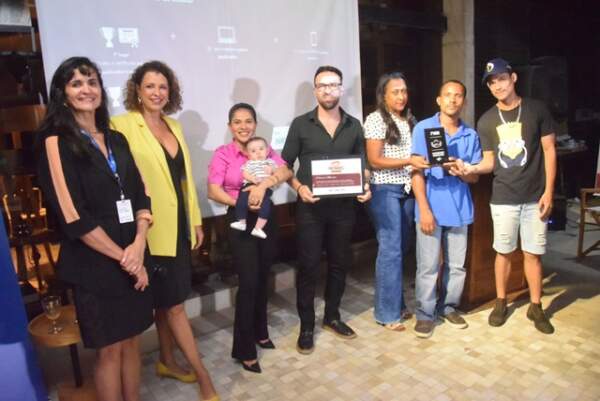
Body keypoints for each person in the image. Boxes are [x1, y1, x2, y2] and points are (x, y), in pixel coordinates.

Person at [36, 57, 153, 401]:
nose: (86, 90)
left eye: (92, 82)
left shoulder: (117, 139)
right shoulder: (56, 142)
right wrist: (126, 258)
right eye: (76, 83)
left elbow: (140, 194)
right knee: (109, 350)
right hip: (95, 264)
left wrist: (138, 245)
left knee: (132, 342)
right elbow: (74, 216)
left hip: (133, 255)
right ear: (62, 93)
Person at [110, 61, 218, 400]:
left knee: (167, 302)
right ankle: (204, 378)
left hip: (179, 228)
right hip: (146, 230)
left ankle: (167, 361)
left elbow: (183, 178)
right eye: (150, 86)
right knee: (175, 307)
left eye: (162, 87)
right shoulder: (121, 125)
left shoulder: (174, 125)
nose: (157, 92)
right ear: (137, 90)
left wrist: (195, 219)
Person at [281, 65, 371, 355]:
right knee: (308, 266)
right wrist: (298, 187)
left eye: (333, 85)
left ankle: (332, 316)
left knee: (339, 263)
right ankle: (307, 326)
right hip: (310, 209)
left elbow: (363, 165)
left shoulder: (354, 125)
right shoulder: (300, 124)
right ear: (315, 90)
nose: (328, 90)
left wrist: (365, 186)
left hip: (344, 208)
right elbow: (285, 165)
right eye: (322, 85)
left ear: (341, 89)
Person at [463, 58, 557, 334]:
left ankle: (536, 306)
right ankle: (501, 302)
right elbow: (489, 161)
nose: (497, 85)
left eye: (502, 79)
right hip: (503, 197)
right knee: (502, 252)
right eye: (492, 82)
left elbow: (550, 150)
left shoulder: (536, 109)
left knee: (533, 253)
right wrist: (471, 168)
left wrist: (549, 192)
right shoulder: (486, 120)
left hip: (535, 196)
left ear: (513, 78)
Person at [207, 103, 291, 374]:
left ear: (255, 124)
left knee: (263, 276)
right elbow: (212, 190)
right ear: (230, 126)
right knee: (249, 281)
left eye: (248, 121)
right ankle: (244, 349)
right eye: (237, 121)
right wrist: (242, 202)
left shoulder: (263, 148)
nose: (243, 126)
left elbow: (286, 171)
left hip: (266, 218)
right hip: (239, 217)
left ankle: (261, 332)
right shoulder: (223, 154)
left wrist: (264, 185)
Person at [410, 80, 482, 338]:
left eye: (458, 96)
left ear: (464, 101)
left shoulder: (470, 135)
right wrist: (424, 209)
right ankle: (425, 314)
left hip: (460, 208)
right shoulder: (423, 128)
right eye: (448, 95)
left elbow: (474, 177)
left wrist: (461, 171)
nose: (453, 100)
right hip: (430, 207)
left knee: (457, 266)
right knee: (428, 266)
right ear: (438, 100)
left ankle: (448, 307)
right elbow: (416, 172)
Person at [364, 72, 416, 332]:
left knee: (402, 247)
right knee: (391, 249)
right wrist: (409, 161)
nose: (401, 96)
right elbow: (375, 160)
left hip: (408, 188)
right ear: (383, 95)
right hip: (384, 189)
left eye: (404, 91)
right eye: (395, 91)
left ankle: (397, 302)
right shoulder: (375, 119)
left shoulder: (408, 120)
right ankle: (387, 313)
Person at [230, 136, 278, 239]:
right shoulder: (249, 163)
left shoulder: (270, 162)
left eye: (261, 149)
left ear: (267, 150)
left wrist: (271, 170)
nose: (258, 152)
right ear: (248, 154)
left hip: (265, 187)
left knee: (266, 204)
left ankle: (258, 228)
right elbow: (245, 173)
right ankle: (241, 222)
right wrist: (252, 178)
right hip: (249, 184)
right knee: (241, 200)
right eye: (253, 151)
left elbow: (277, 172)